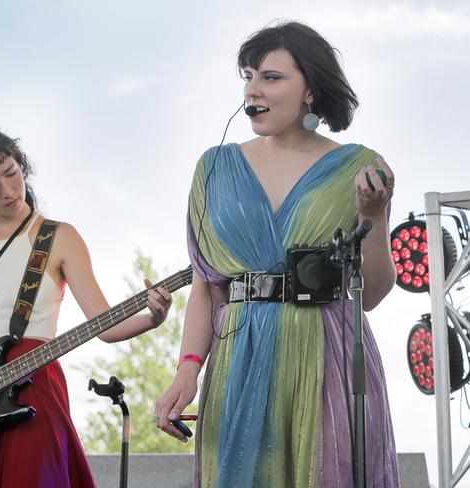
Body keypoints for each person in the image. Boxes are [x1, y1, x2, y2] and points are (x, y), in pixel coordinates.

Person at [154, 21, 399, 487]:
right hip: (238, 361)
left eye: (271, 77)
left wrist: (376, 215)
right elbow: (207, 285)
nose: (252, 89)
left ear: (309, 89)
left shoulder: (360, 166)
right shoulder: (214, 169)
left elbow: (371, 294)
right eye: (248, 76)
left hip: (329, 359)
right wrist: (187, 371)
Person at [0, 126, 172, 487]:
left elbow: (106, 327)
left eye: (11, 174)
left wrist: (153, 319)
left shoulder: (59, 237)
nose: (8, 191)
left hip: (33, 385)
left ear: (22, 166)